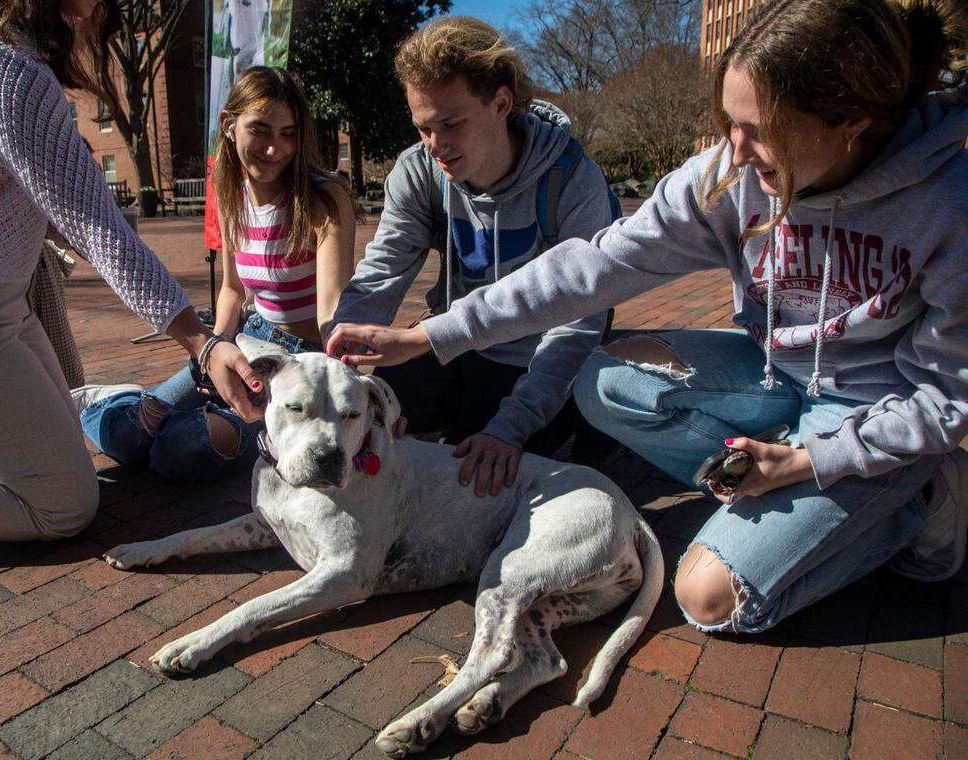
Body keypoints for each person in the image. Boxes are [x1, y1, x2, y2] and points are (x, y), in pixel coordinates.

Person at [328, 0, 968, 634]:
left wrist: (808, 463)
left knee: (709, 600)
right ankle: (784, 479)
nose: (736, 153)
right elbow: (591, 269)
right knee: (602, 380)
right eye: (727, 123)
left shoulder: (948, 202)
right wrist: (427, 335)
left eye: (760, 129)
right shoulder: (728, 174)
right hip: (777, 375)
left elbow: (946, 395)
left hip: (874, 403)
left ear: (850, 120)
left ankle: (919, 497)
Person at [0, 0, 261, 545]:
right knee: (61, 499)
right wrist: (201, 343)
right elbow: (94, 226)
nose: (99, 25)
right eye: (103, 11)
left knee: (27, 441)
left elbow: (2, 200)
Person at [327, 17, 621, 497]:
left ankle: (592, 427)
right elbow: (384, 267)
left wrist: (512, 425)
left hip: (538, 359)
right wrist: (335, 364)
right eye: (423, 127)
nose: (436, 145)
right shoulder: (420, 170)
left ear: (501, 103)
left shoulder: (573, 179)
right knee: (375, 418)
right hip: (454, 342)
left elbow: (579, 322)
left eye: (451, 123)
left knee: (481, 468)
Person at [73, 66, 359, 482]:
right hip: (244, 340)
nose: (274, 148)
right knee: (125, 436)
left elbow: (332, 310)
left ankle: (183, 413)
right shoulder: (231, 198)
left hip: (297, 361)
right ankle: (122, 403)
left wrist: (335, 385)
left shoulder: (323, 198)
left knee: (184, 450)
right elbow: (231, 290)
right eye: (260, 130)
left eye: (288, 133)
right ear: (229, 125)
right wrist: (213, 352)